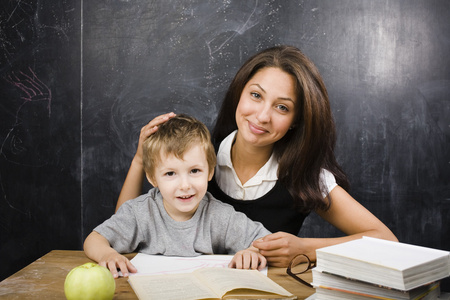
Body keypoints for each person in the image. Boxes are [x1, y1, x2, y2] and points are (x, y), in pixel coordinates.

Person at [116, 45, 397, 268]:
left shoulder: (305, 176)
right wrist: (140, 160)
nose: (262, 116)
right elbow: (123, 228)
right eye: (256, 95)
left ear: (297, 121)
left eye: (282, 108)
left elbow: (386, 241)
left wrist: (306, 249)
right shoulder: (195, 158)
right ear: (240, 93)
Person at [85, 114, 271, 278]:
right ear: (152, 177)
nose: (185, 185)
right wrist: (106, 254)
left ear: (209, 172)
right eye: (170, 174)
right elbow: (94, 240)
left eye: (195, 170)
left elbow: (264, 242)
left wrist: (252, 251)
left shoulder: (220, 216)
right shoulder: (140, 212)